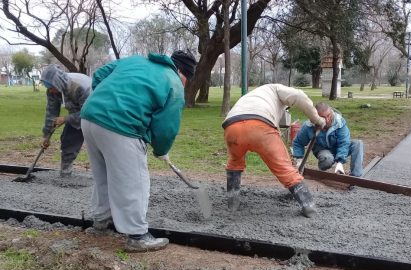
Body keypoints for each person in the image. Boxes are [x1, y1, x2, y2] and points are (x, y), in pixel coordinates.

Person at [80, 50, 197, 252]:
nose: (185, 84)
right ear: (181, 72)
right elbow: (166, 128)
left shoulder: (135, 61)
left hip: (89, 118)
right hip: (121, 126)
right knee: (135, 182)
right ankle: (138, 236)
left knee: (104, 177)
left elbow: (99, 75)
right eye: (186, 80)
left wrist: (106, 101)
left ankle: (100, 223)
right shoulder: (173, 82)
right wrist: (162, 150)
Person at [222, 84, 327, 218]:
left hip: (232, 127)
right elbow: (299, 96)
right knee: (285, 169)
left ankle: (233, 202)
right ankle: (308, 206)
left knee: (234, 163)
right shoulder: (276, 88)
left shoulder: (255, 96)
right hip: (259, 126)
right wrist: (317, 119)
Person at [40, 64, 92, 176]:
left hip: (97, 114)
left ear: (58, 82)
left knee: (100, 144)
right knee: (68, 140)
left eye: (51, 87)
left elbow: (88, 112)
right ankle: (65, 172)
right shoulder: (53, 91)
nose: (51, 91)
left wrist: (65, 119)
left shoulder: (80, 87)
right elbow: (51, 113)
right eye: (48, 87)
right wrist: (46, 136)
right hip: (77, 112)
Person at [292, 102, 364, 177]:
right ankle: (325, 163)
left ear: (331, 112)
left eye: (328, 115)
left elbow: (344, 142)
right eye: (323, 117)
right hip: (323, 151)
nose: (327, 120)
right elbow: (298, 142)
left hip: (338, 147)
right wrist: (299, 159)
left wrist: (340, 162)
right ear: (316, 116)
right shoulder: (308, 126)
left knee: (357, 143)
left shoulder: (339, 122)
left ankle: (356, 176)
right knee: (327, 160)